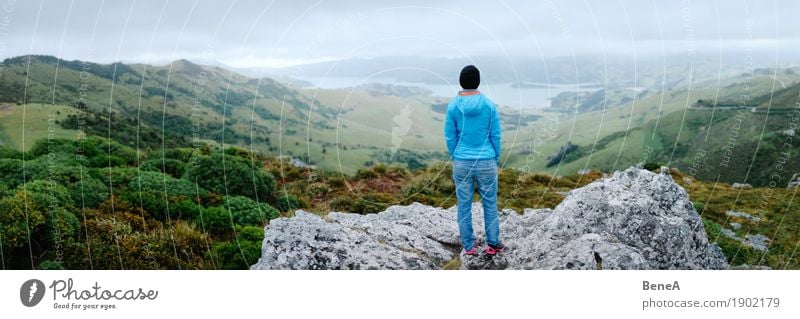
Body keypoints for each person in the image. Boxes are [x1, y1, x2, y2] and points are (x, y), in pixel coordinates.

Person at [444, 65, 505, 255]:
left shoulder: (454, 106)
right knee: (490, 203)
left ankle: (469, 246)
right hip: (486, 160)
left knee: (464, 204)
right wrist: (495, 155)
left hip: (462, 161)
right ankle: (493, 244)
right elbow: (496, 135)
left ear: (461, 82)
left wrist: (457, 154)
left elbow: (450, 136)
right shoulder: (488, 105)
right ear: (478, 81)